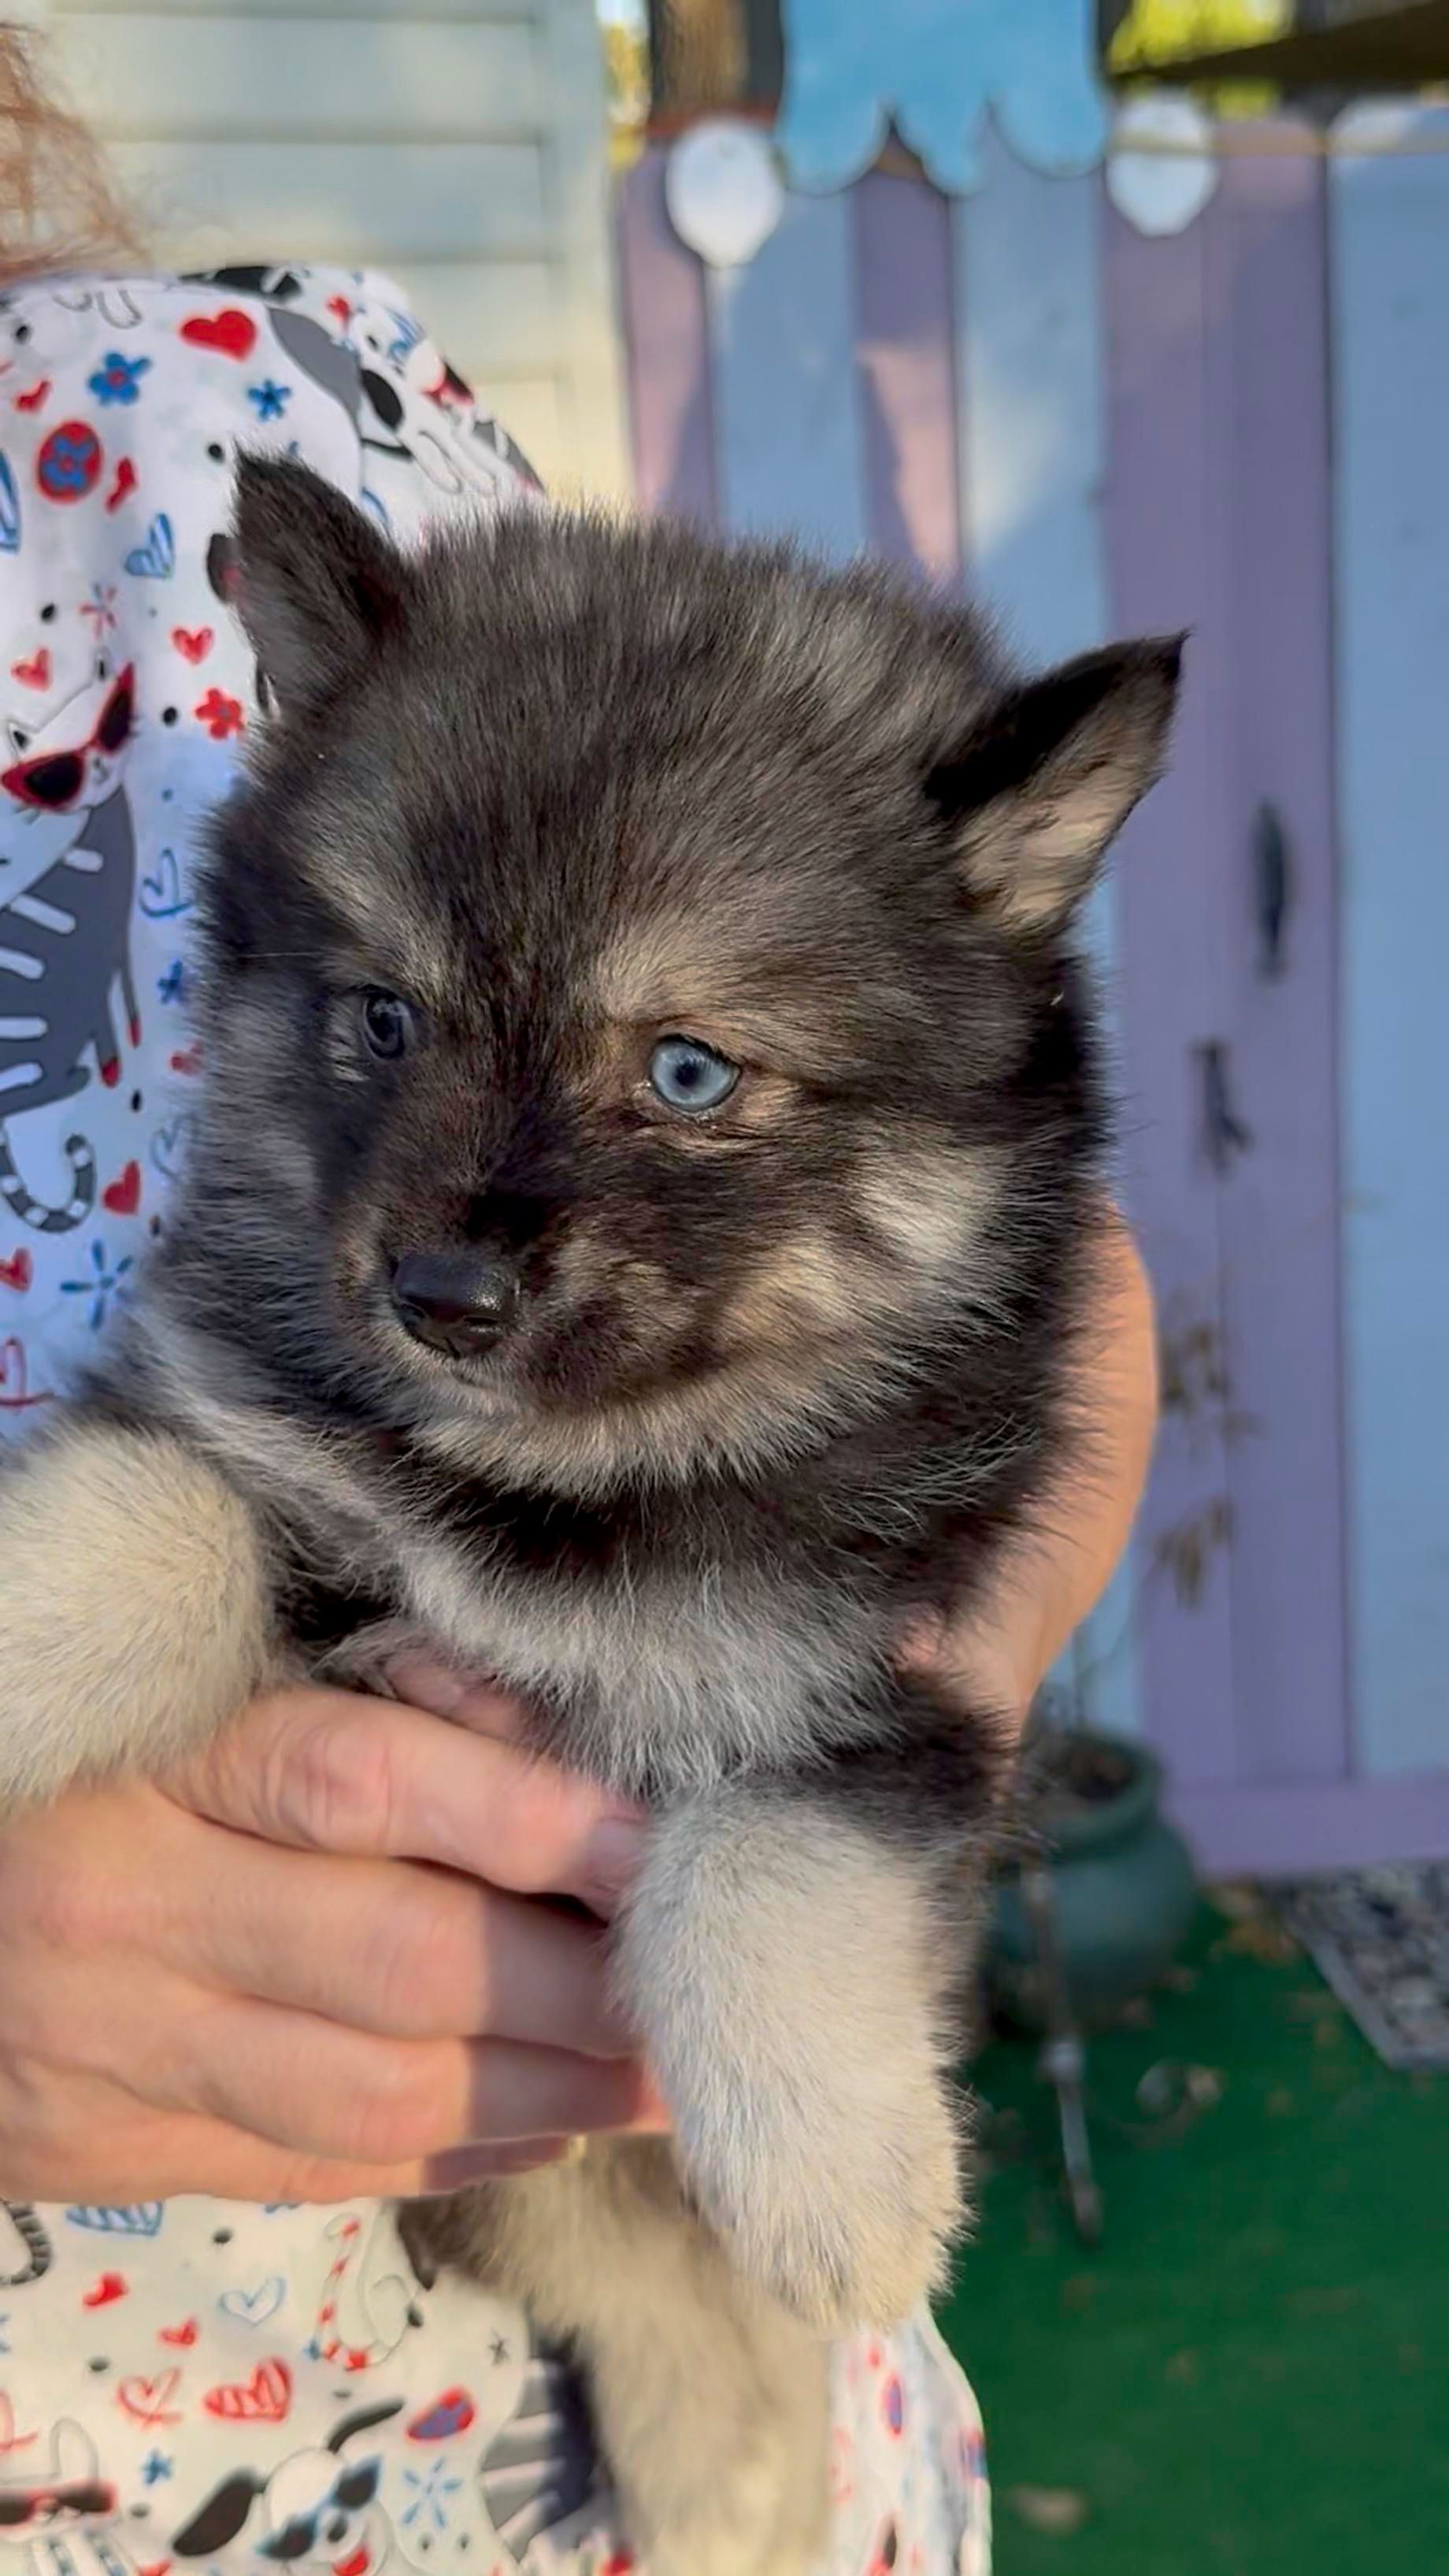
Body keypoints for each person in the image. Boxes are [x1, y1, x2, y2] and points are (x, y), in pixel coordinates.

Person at [0, 28, 1157, 2573]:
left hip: (509, 2471)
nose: (457, 1221)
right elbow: (198, 1514)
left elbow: (1023, 1417)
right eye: (388, 1029)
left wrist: (803, 1783)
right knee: (187, 1526)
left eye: (686, 1078)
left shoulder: (202, 424)